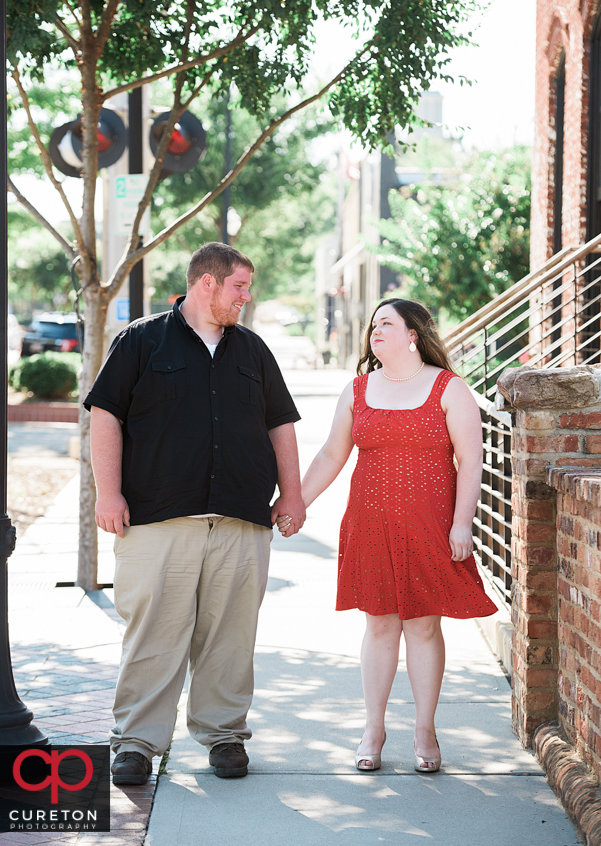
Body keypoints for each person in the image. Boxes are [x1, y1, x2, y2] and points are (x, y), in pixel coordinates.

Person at [85, 242, 305, 784]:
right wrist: (106, 493)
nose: (246, 299)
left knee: (231, 635)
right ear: (207, 283)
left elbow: (280, 424)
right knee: (153, 633)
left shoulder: (252, 351)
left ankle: (225, 736)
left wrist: (293, 494)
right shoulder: (140, 341)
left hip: (240, 517)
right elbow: (105, 417)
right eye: (240, 287)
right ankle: (136, 744)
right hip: (157, 519)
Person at [279, 298, 496, 773]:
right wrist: (295, 503)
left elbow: (470, 460)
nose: (375, 331)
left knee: (422, 625)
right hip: (370, 524)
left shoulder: (449, 388)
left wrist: (462, 522)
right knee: (378, 623)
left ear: (413, 334)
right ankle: (372, 729)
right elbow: (331, 456)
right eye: (373, 324)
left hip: (431, 525)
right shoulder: (357, 390)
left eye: (386, 324)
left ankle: (424, 728)